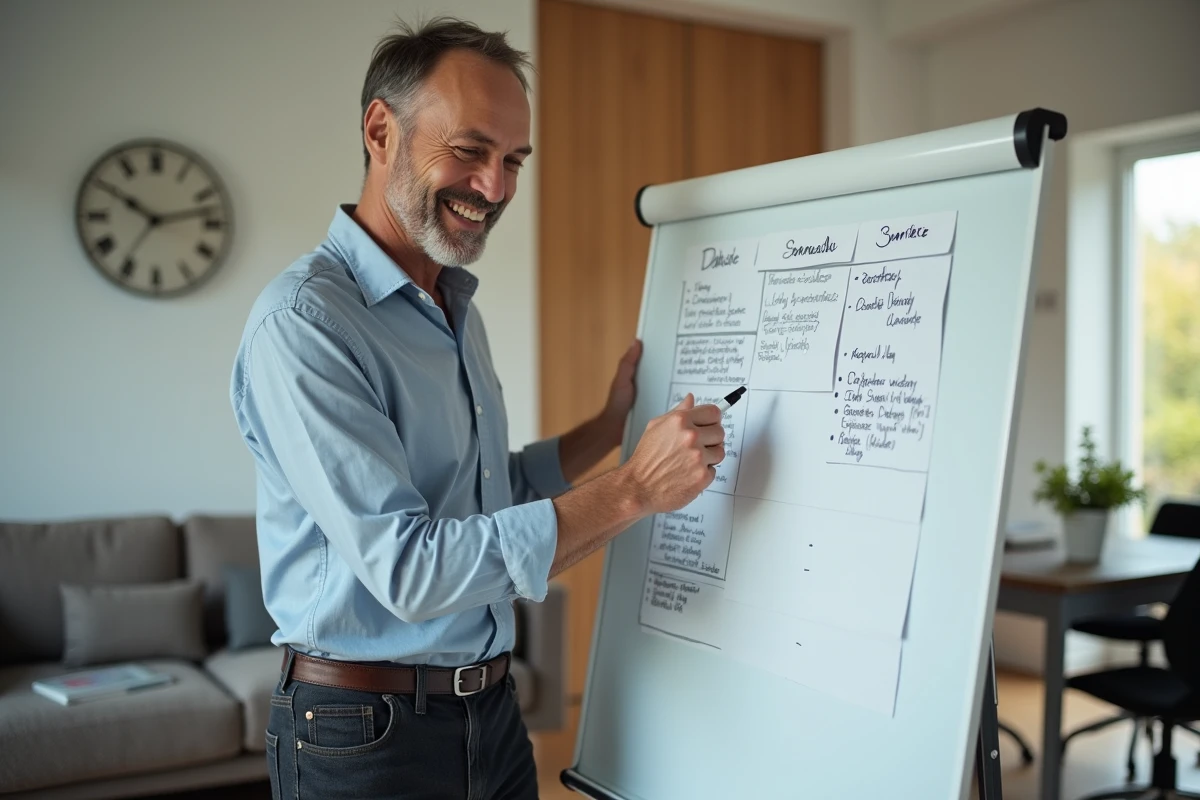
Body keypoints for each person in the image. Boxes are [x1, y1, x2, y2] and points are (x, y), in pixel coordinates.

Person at [230, 16, 725, 800]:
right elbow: (411, 570)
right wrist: (633, 488)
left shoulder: (454, 302)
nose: (494, 188)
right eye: (469, 151)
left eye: (512, 161)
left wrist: (607, 427)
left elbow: (490, 492)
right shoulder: (305, 325)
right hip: (365, 734)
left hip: (487, 711)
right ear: (381, 130)